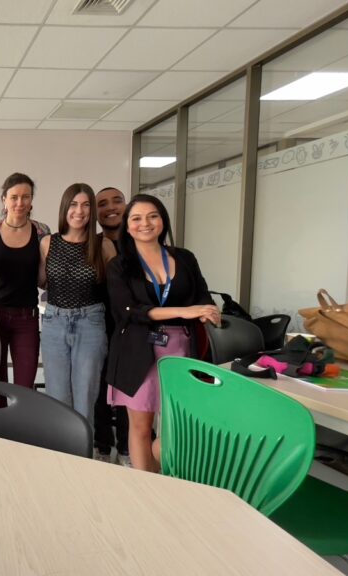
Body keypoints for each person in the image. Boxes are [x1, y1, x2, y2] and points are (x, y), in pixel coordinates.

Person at [106, 194, 220, 472]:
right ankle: (144, 483)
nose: (145, 223)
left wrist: (208, 311)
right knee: (141, 427)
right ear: (128, 227)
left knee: (178, 425)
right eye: (136, 218)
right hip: (138, 349)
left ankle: (156, 473)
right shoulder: (119, 265)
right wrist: (185, 311)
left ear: (163, 220)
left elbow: (202, 295)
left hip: (181, 348)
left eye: (152, 216)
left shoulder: (185, 257)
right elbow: (129, 311)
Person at [39, 184, 116, 444]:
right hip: (54, 322)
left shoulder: (103, 245)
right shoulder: (48, 243)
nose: (79, 211)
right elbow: (42, 281)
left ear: (92, 211)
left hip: (90, 323)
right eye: (73, 204)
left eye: (85, 205)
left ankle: (83, 456)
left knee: (85, 397)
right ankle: (60, 456)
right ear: (65, 208)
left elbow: (116, 290)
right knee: (57, 397)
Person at [0, 173, 51, 391]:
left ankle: (22, 417)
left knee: (25, 386)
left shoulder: (42, 232)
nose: (20, 202)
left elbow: (45, 279)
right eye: (14, 197)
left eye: (26, 197)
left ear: (31, 200)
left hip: (27, 318)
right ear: (4, 200)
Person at [93, 186, 130, 465]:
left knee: (131, 387)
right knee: (99, 387)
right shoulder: (90, 245)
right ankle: (102, 446)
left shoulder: (139, 241)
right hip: (97, 325)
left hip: (134, 327)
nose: (110, 207)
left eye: (117, 201)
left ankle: (128, 447)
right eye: (102, 203)